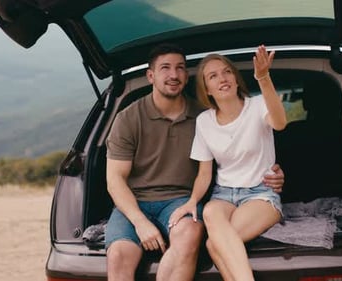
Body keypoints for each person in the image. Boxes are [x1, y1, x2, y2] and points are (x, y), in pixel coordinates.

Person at [105, 43, 285, 281]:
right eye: (165, 68)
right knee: (118, 255)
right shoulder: (129, 118)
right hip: (138, 201)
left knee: (201, 239)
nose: (173, 74)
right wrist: (140, 222)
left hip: (186, 199)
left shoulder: (204, 113)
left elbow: (271, 124)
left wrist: (275, 171)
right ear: (151, 75)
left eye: (180, 68)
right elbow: (115, 179)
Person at [169, 45, 286, 281]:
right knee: (210, 212)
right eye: (213, 76)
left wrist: (263, 77)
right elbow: (204, 172)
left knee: (215, 244)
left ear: (235, 78)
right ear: (207, 89)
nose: (222, 78)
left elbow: (280, 122)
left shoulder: (258, 105)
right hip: (223, 195)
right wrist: (192, 201)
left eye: (226, 72)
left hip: (260, 193)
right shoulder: (204, 121)